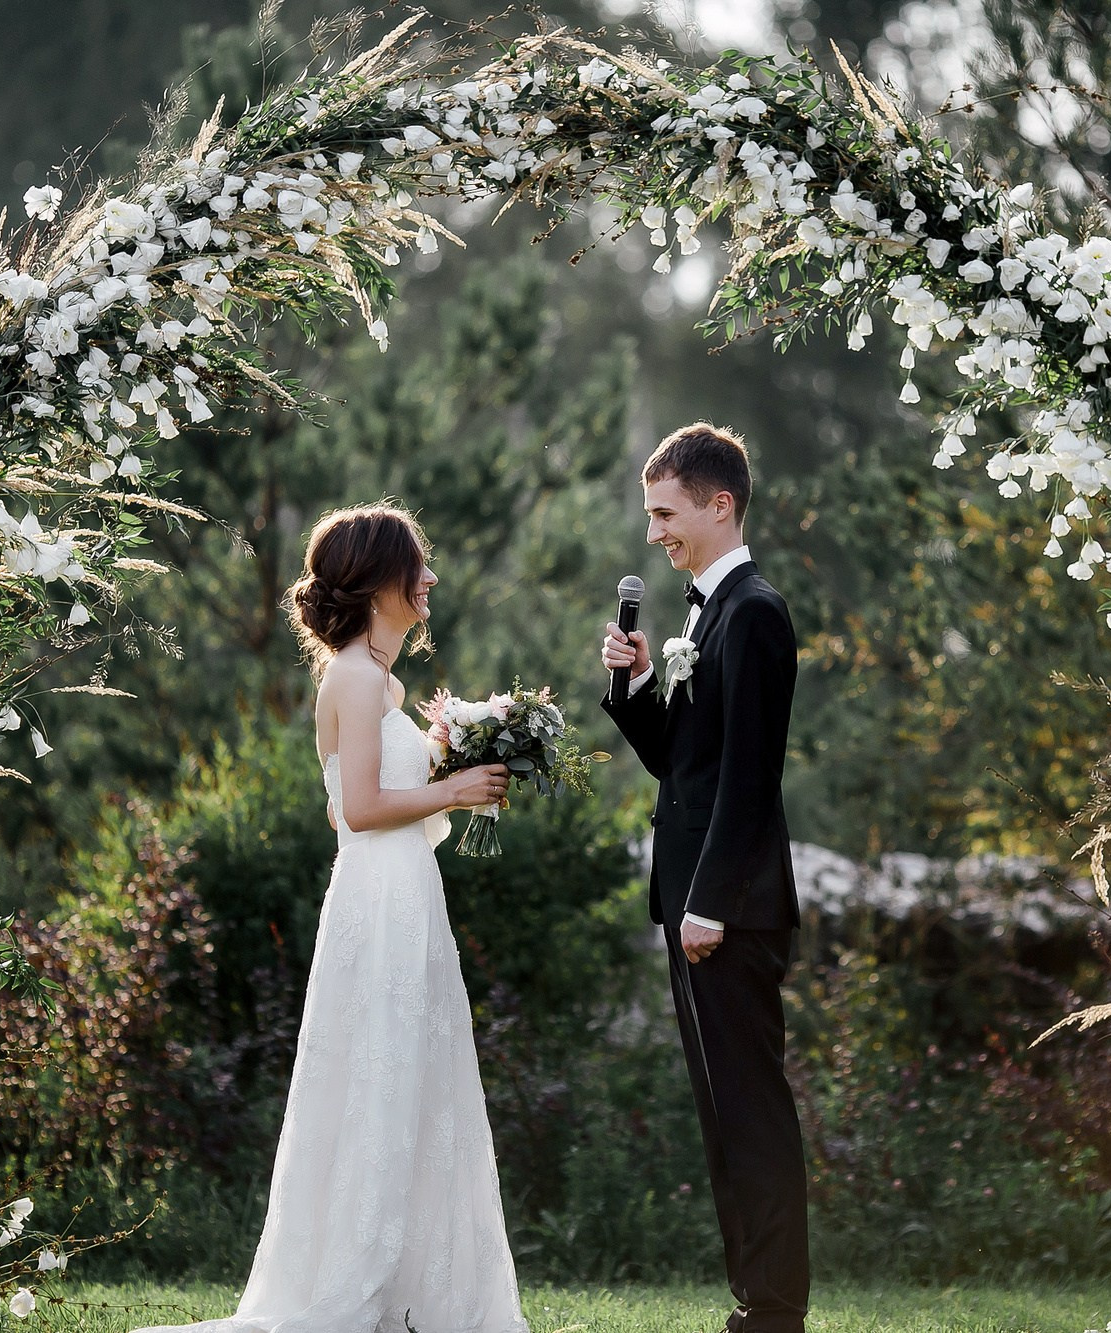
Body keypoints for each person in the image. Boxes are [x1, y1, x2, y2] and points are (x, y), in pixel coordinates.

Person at [133, 502, 522, 1333]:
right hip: (376, 903)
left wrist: (458, 759)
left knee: (416, 1080)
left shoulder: (387, 681)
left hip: (408, 894)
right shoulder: (350, 675)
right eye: (417, 565)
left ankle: (423, 1291)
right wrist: (452, 787)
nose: (430, 580)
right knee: (374, 1080)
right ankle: (356, 1282)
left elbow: (385, 801)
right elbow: (357, 806)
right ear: (382, 580)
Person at [599, 424, 809, 1333]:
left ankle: (774, 1310)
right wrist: (635, 688)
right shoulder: (701, 613)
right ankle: (754, 1304)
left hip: (729, 910)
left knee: (751, 1111)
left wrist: (710, 903)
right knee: (723, 1113)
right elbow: (682, 766)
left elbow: (750, 779)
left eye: (666, 512)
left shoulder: (754, 612)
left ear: (719, 504)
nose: (655, 532)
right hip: (696, 905)